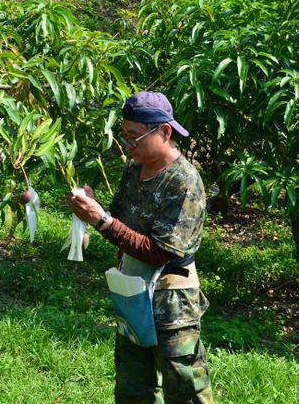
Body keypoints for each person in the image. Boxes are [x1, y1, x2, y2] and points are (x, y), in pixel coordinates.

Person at [69, 91, 213, 404]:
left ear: (164, 131)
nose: (128, 145)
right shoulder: (135, 170)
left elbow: (161, 251)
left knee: (185, 388)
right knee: (133, 387)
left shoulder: (184, 181)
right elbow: (122, 221)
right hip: (133, 291)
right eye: (125, 137)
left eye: (135, 137)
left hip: (172, 301)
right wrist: (94, 207)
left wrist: (103, 221)